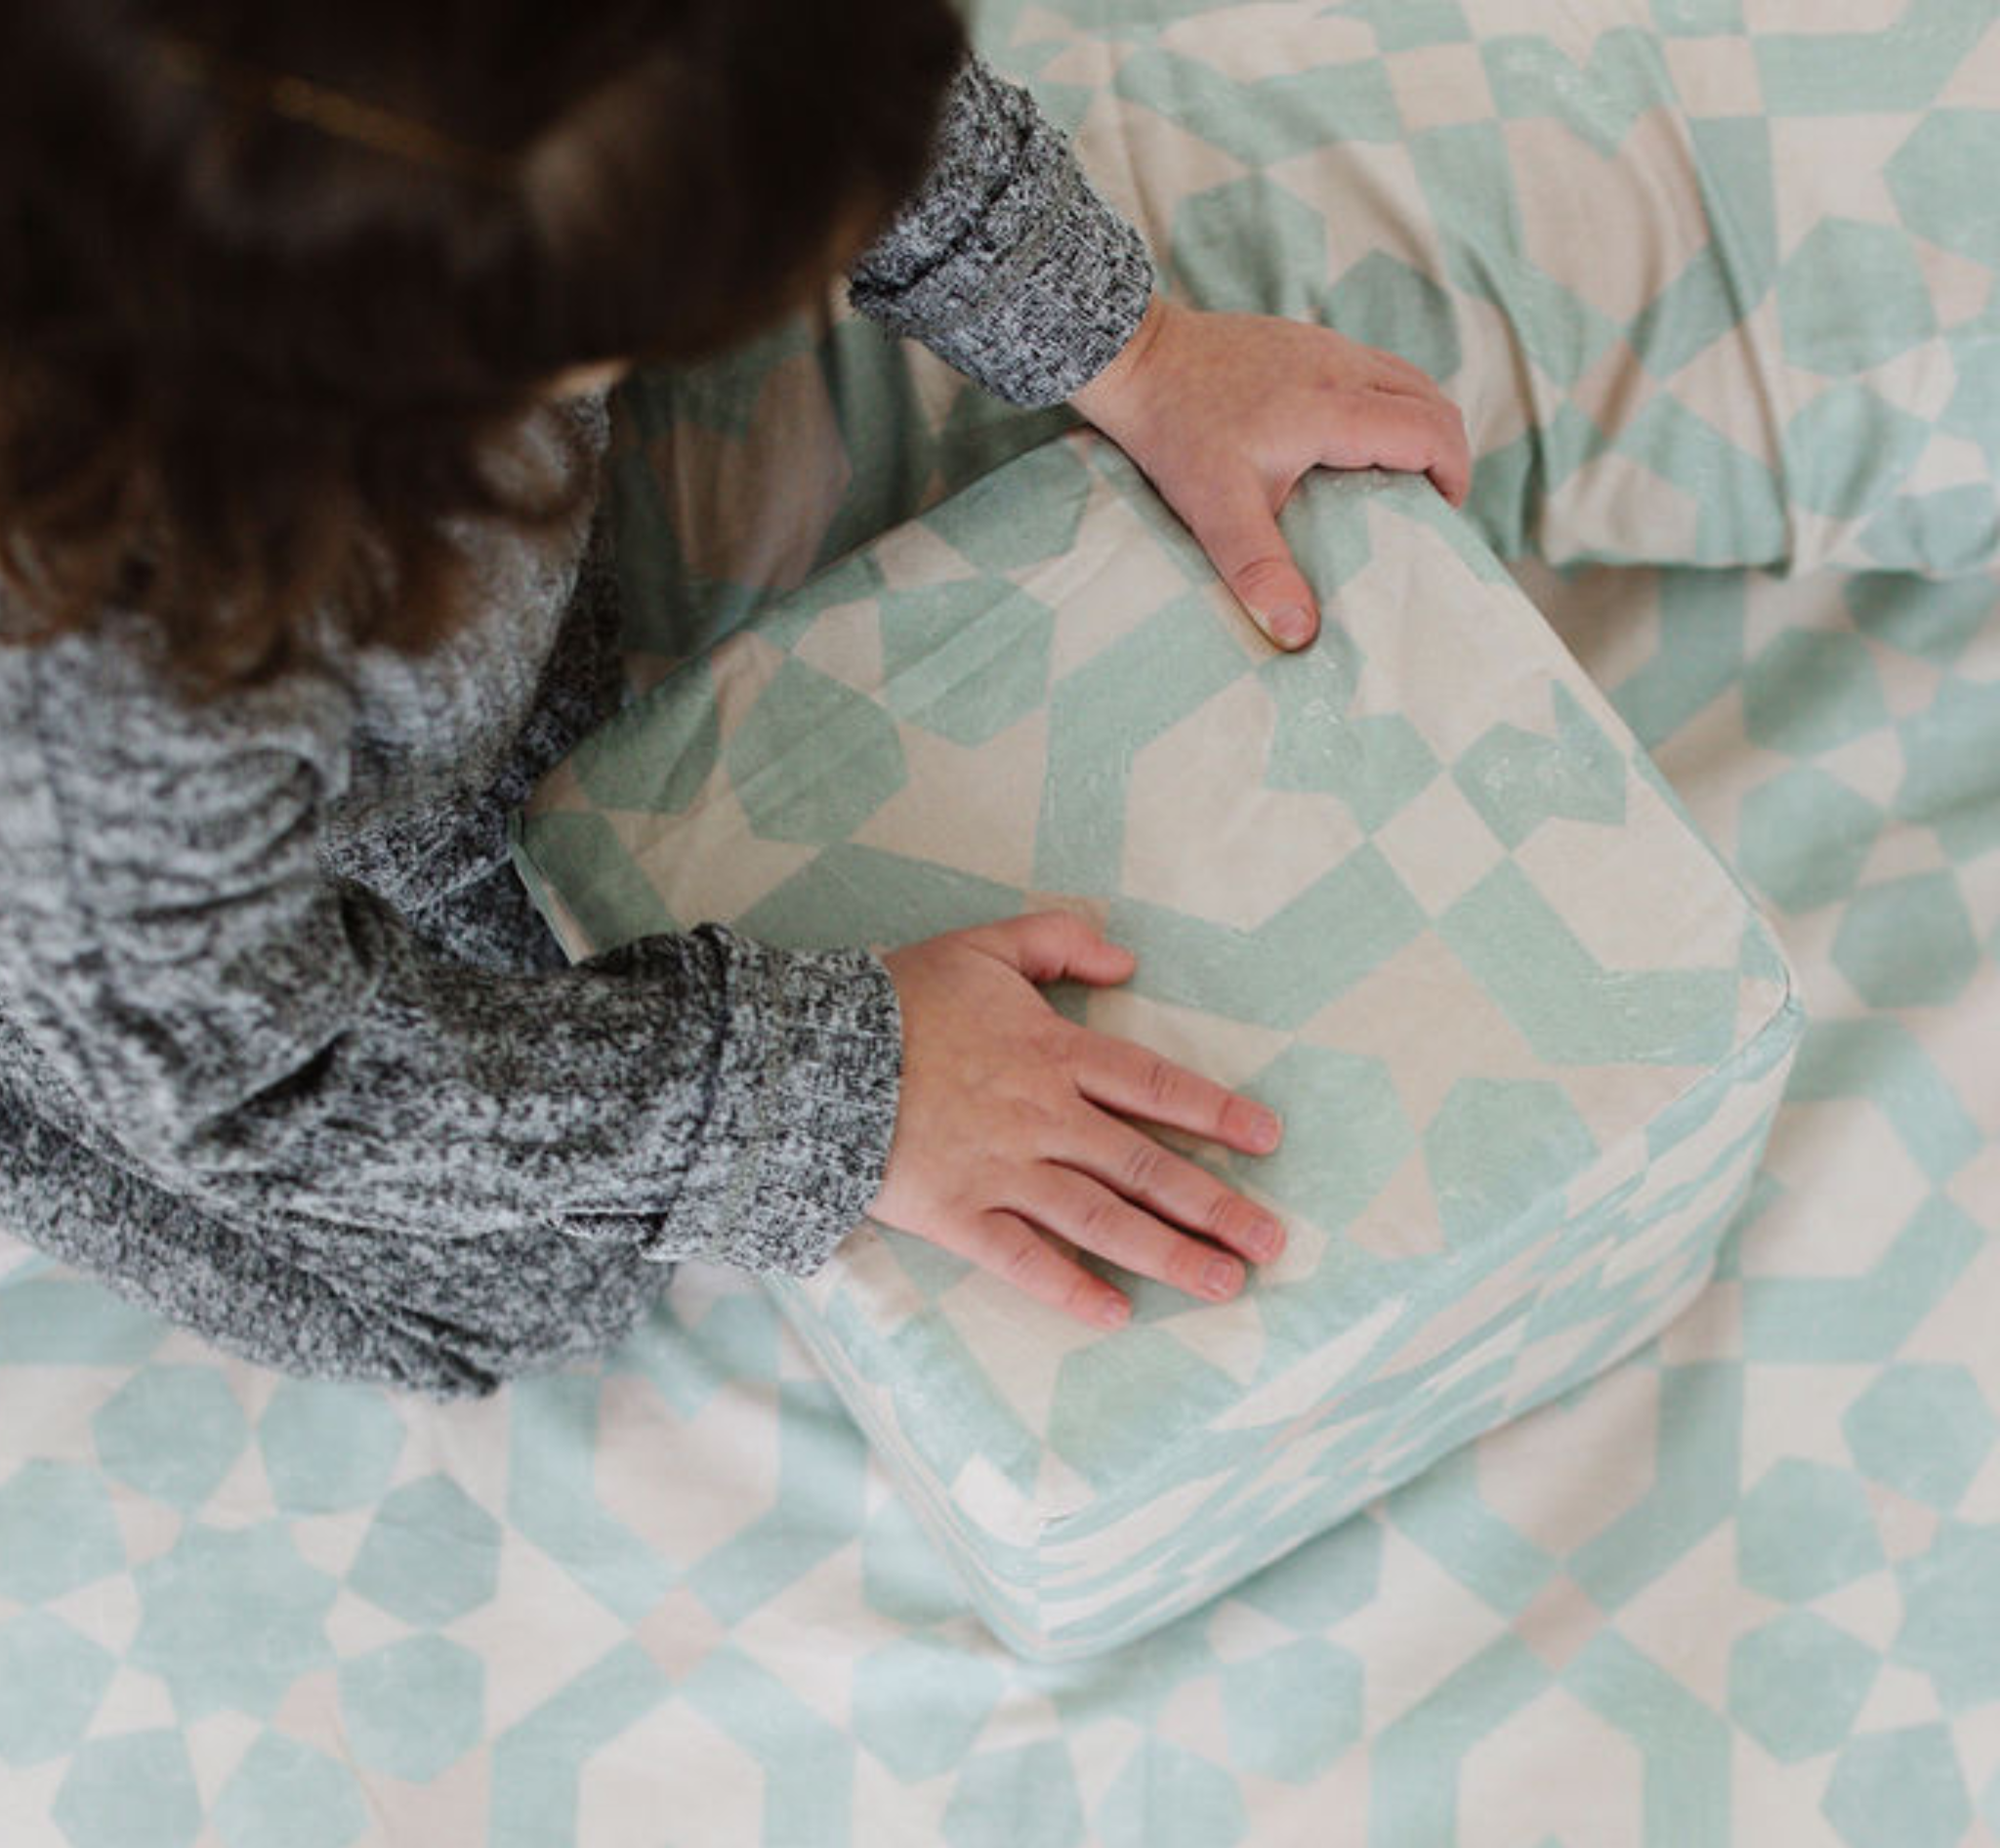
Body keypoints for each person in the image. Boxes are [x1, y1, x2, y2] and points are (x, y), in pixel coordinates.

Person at [0, 0, 1469, 1396]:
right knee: (528, 1283)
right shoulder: (101, 703)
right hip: (133, 943)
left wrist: (1129, 345)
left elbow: (787, 76)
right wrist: (841, 1099)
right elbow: (265, 1081)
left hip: (404, 660)